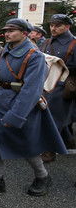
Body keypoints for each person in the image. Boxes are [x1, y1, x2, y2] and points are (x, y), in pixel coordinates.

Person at [0, 19, 66, 195]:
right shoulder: (5, 51)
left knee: (26, 144)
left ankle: (42, 176)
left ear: (24, 33)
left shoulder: (34, 56)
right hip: (0, 102)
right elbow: (3, 75)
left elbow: (32, 90)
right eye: (6, 30)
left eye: (12, 30)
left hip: (20, 106)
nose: (7, 33)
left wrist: (16, 115)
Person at [40, 14, 76, 161]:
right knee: (51, 115)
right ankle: (68, 140)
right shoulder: (47, 42)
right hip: (47, 83)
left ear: (67, 27)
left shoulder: (73, 43)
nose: (53, 28)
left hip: (64, 84)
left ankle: (49, 151)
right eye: (51, 25)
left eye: (58, 25)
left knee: (54, 117)